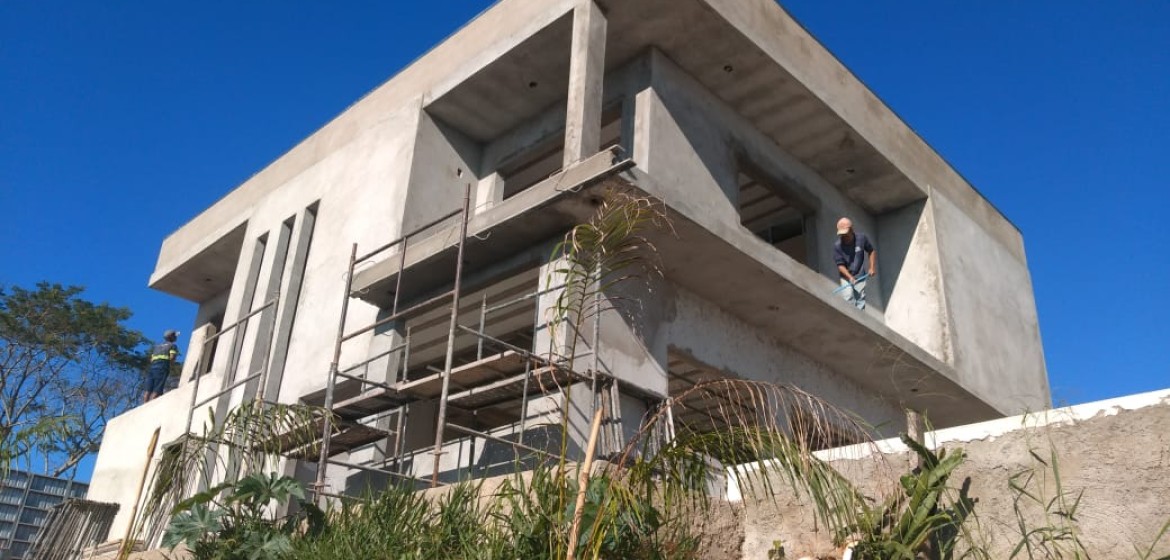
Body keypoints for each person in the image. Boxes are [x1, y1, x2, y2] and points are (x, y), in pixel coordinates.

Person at [833, 217, 876, 310]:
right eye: (841, 235)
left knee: (860, 300)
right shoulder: (838, 246)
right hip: (845, 276)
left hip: (860, 274)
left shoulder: (861, 238)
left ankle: (861, 322)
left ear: (851, 230)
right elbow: (840, 266)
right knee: (848, 299)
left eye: (845, 234)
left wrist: (871, 267)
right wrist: (850, 277)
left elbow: (871, 251)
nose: (843, 237)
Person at [144, 329, 180, 403]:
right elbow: (172, 357)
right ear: (172, 337)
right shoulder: (172, 346)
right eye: (175, 336)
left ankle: (144, 405)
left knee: (148, 390)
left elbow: (151, 359)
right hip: (162, 367)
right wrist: (171, 365)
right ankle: (150, 406)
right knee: (157, 389)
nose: (176, 337)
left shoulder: (157, 346)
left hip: (152, 367)